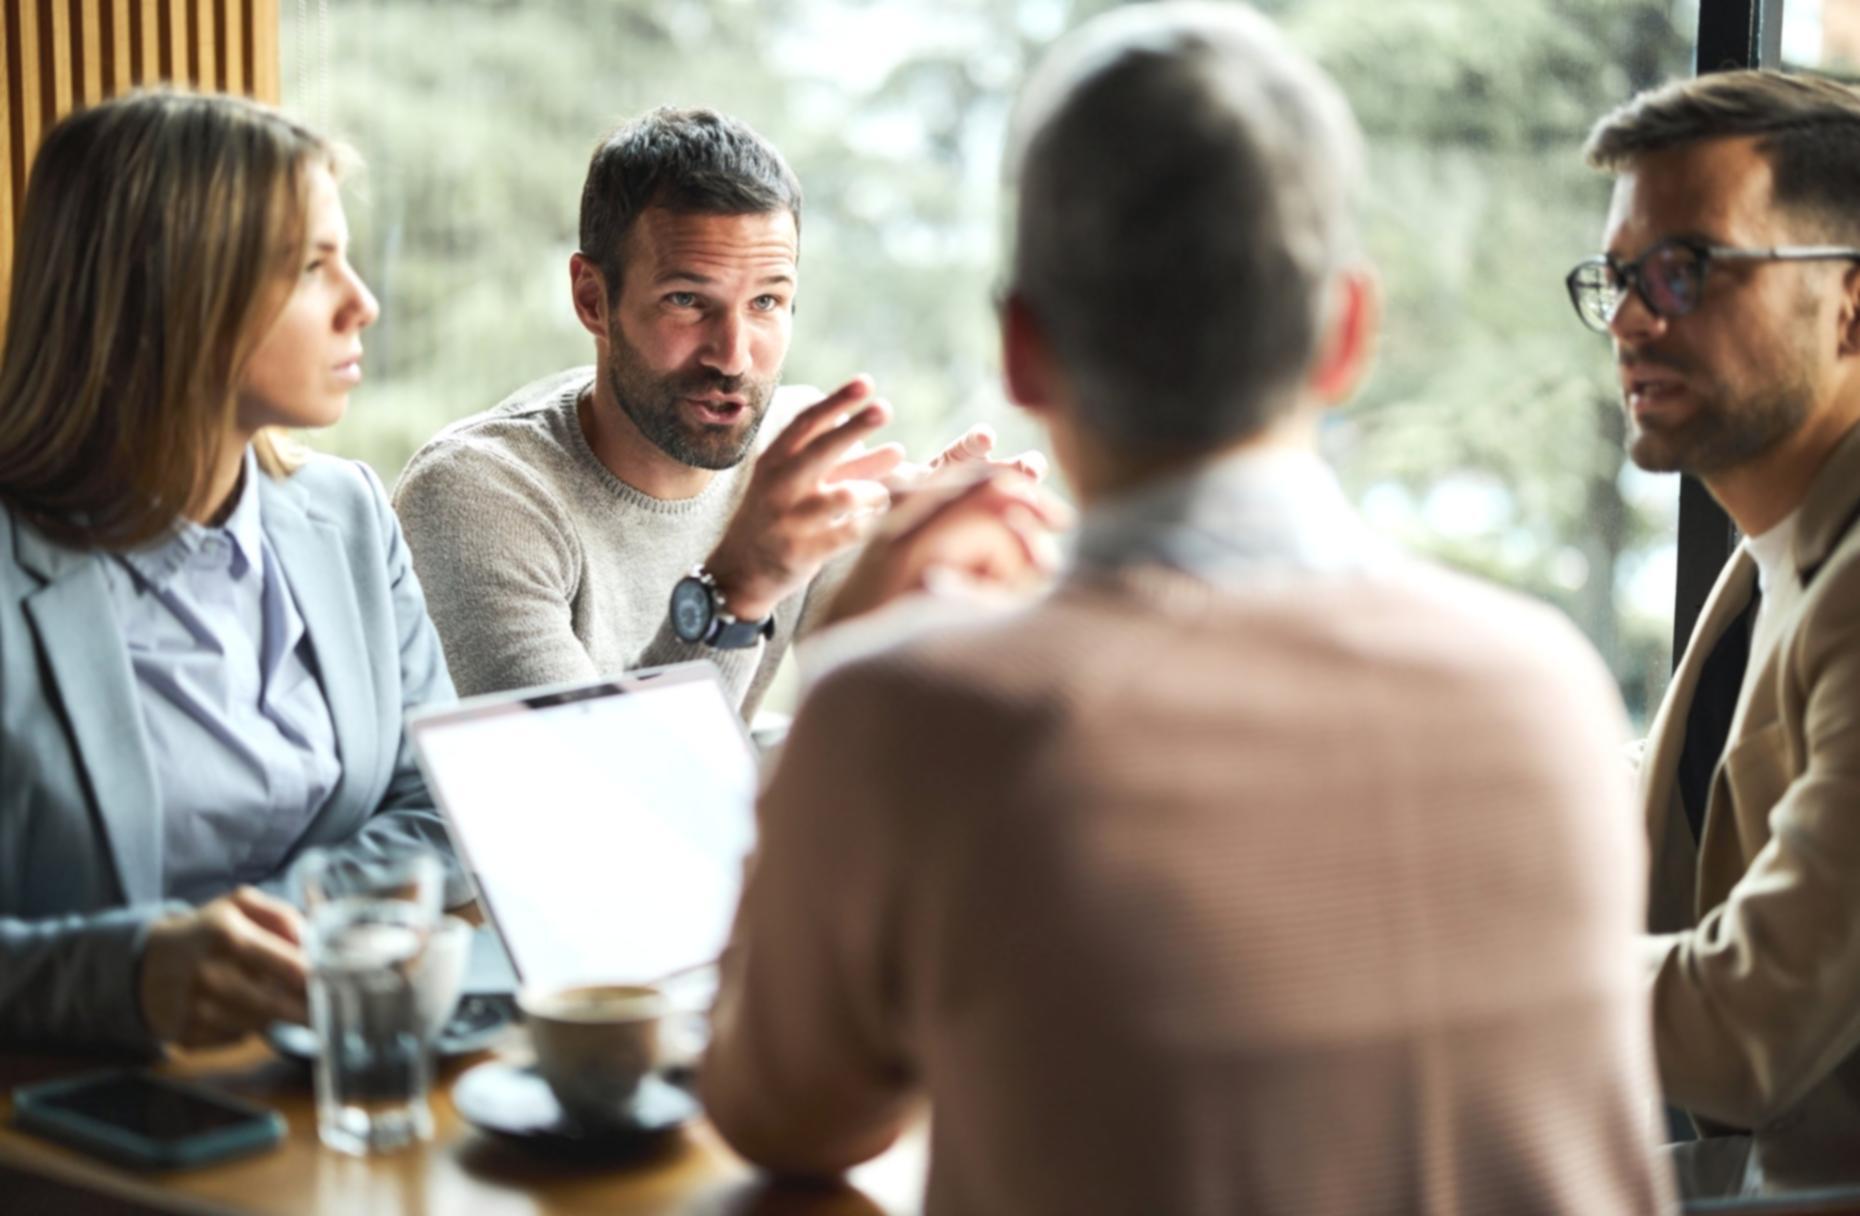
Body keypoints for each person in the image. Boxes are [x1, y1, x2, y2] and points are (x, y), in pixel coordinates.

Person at [700, 4, 1672, 1212]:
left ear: (1022, 349)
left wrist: (845, 654)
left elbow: (775, 1111)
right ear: (1350, 334)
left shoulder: (913, 714)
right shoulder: (1550, 686)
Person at [0, 90, 459, 1050]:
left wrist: (284, 930)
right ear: (173, 291)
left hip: (319, 1067)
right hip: (74, 1134)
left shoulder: (348, 515)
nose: (361, 302)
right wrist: (137, 973)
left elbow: (441, 802)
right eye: (311, 267)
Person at [393, 107, 1032, 716]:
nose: (733, 356)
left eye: (765, 303)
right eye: (686, 300)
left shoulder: (796, 453)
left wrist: (917, 568)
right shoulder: (477, 496)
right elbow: (589, 803)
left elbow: (872, 730)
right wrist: (731, 592)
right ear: (592, 299)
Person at [1571, 72, 1860, 1148]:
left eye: (1687, 271)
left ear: (1852, 304)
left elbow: (1751, 1023)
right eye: (1619, 276)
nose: (1634, 319)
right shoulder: (1775, 550)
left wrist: (1455, 959)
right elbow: (1664, 815)